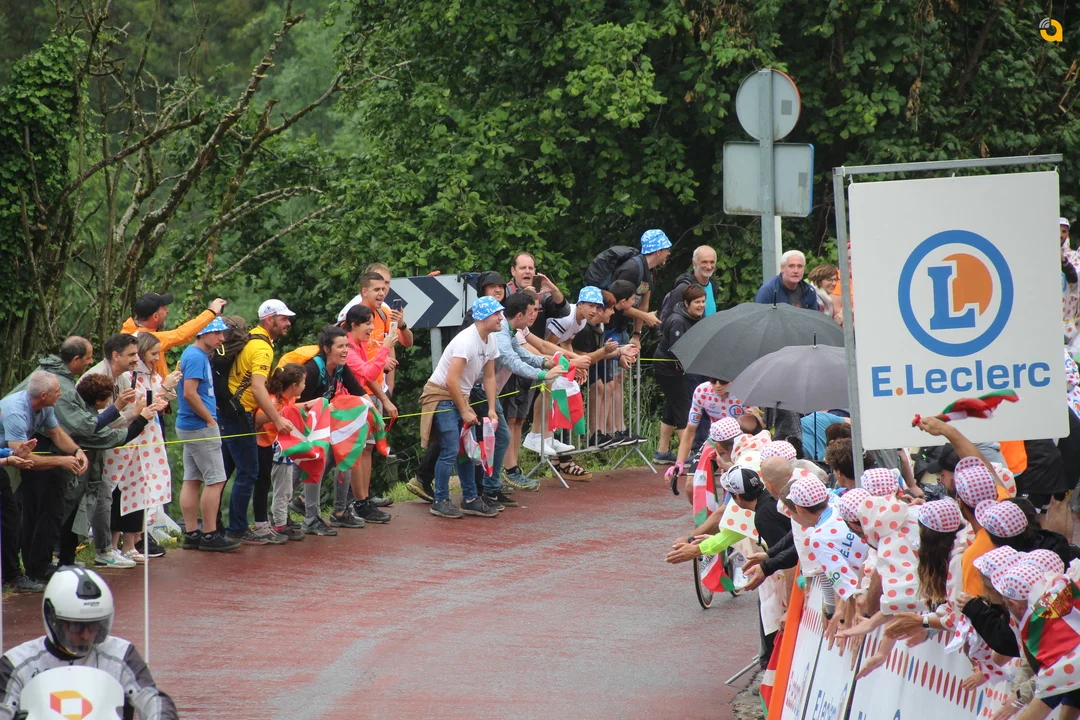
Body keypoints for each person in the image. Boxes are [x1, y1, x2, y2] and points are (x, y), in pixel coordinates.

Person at [10, 338, 139, 578]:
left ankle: (36, 566)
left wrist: (75, 451)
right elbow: (83, 427)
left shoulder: (53, 389)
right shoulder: (56, 386)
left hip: (40, 447)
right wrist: (121, 409)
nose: (91, 362)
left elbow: (58, 431)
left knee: (38, 512)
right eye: (88, 358)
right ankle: (33, 569)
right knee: (40, 513)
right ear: (76, 359)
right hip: (28, 451)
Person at [0, 566, 178, 719]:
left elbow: (152, 699)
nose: (86, 635)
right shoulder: (16, 663)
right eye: (76, 626)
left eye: (94, 626)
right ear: (53, 620)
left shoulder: (122, 654)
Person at [0, 372, 88, 592]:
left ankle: (21, 572)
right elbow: (22, 459)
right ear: (43, 395)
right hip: (6, 459)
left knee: (12, 516)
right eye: (57, 391)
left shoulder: (46, 406)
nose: (61, 394)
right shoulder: (16, 411)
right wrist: (61, 461)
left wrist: (76, 451)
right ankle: (13, 574)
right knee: (10, 518)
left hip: (6, 457)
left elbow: (56, 433)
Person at [221, 300, 297, 545]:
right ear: (269, 319)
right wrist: (277, 418)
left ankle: (217, 527)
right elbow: (257, 387)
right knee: (248, 472)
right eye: (283, 318)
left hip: (228, 410)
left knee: (225, 472)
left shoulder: (252, 337)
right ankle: (237, 528)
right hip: (240, 412)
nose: (288, 323)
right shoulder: (262, 347)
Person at [419, 296, 502, 520]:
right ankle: (440, 500)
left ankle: (470, 498)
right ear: (484, 317)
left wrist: (491, 408)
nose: (501, 318)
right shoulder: (466, 341)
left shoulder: (491, 340)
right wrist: (464, 410)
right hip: (442, 395)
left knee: (466, 448)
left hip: (460, 395)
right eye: (497, 314)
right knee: (451, 448)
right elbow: (451, 381)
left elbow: (490, 376)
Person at [102, 333, 180, 563]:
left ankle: (130, 544)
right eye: (153, 353)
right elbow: (138, 404)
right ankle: (112, 545)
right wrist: (163, 388)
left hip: (147, 441)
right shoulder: (127, 376)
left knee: (139, 490)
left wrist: (166, 390)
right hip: (128, 440)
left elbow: (157, 399)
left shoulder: (152, 374)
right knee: (118, 490)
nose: (156, 358)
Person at [297, 325, 380, 528]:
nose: (345, 351)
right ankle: (301, 515)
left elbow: (359, 391)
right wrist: (320, 405)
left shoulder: (341, 368)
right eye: (340, 347)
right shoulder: (312, 370)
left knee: (345, 455)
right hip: (302, 426)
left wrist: (376, 414)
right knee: (305, 471)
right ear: (327, 349)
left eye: (347, 346)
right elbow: (294, 405)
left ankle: (339, 512)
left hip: (323, 423)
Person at [487, 291, 570, 491]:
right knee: (491, 438)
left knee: (497, 437)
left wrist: (544, 362)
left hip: (485, 391)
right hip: (474, 390)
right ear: (519, 316)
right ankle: (489, 485)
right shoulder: (501, 334)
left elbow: (522, 353)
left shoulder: (510, 330)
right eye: (532, 311)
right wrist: (543, 374)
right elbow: (513, 362)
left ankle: (491, 485)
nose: (535, 315)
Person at [176, 317, 241, 553]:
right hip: (199, 425)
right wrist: (210, 420)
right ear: (202, 333)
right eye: (216, 333)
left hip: (190, 425)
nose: (221, 338)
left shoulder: (196, 354)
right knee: (216, 480)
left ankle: (192, 532)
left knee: (193, 479)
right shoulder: (195, 356)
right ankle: (210, 533)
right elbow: (190, 393)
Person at [84, 333, 144, 569]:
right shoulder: (96, 377)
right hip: (89, 447)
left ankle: (105, 549)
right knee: (90, 498)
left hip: (105, 446)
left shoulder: (123, 378)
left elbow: (121, 417)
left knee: (104, 496)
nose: (136, 359)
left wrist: (137, 413)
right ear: (116, 355)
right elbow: (96, 423)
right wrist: (134, 413)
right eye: (132, 354)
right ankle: (70, 552)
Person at [259, 363, 320, 538]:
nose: (305, 386)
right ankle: (280, 524)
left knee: (285, 488)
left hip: (283, 450)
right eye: (303, 382)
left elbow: (290, 409)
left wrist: (309, 405)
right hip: (278, 451)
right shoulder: (274, 401)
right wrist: (278, 417)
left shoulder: (286, 399)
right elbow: (263, 417)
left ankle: (281, 520)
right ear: (294, 386)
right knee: (283, 489)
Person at [653, 284, 706, 464]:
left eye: (703, 301)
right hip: (668, 368)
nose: (701, 305)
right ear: (686, 303)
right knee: (683, 409)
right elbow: (678, 351)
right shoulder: (677, 321)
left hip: (679, 368)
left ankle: (662, 452)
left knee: (671, 407)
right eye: (697, 302)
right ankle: (688, 455)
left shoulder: (696, 317)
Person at [121, 291, 227, 379]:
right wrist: (211, 312)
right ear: (155, 316)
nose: (167, 311)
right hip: (153, 396)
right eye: (164, 308)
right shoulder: (144, 337)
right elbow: (182, 334)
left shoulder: (129, 332)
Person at [664, 378, 745, 482]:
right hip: (715, 439)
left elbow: (757, 428)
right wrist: (679, 462)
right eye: (713, 381)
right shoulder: (702, 391)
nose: (718, 385)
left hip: (741, 440)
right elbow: (690, 430)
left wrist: (757, 415)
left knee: (734, 481)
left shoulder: (743, 391)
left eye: (723, 382)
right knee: (691, 483)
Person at [659, 245, 720, 320]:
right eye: (704, 262)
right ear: (694, 263)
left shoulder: (713, 285)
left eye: (712, 262)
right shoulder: (683, 289)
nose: (709, 266)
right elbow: (669, 320)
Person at [754, 249, 819, 309]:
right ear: (782, 268)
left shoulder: (809, 291)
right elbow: (760, 316)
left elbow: (813, 316)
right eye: (791, 266)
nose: (796, 271)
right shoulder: (768, 291)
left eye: (800, 266)